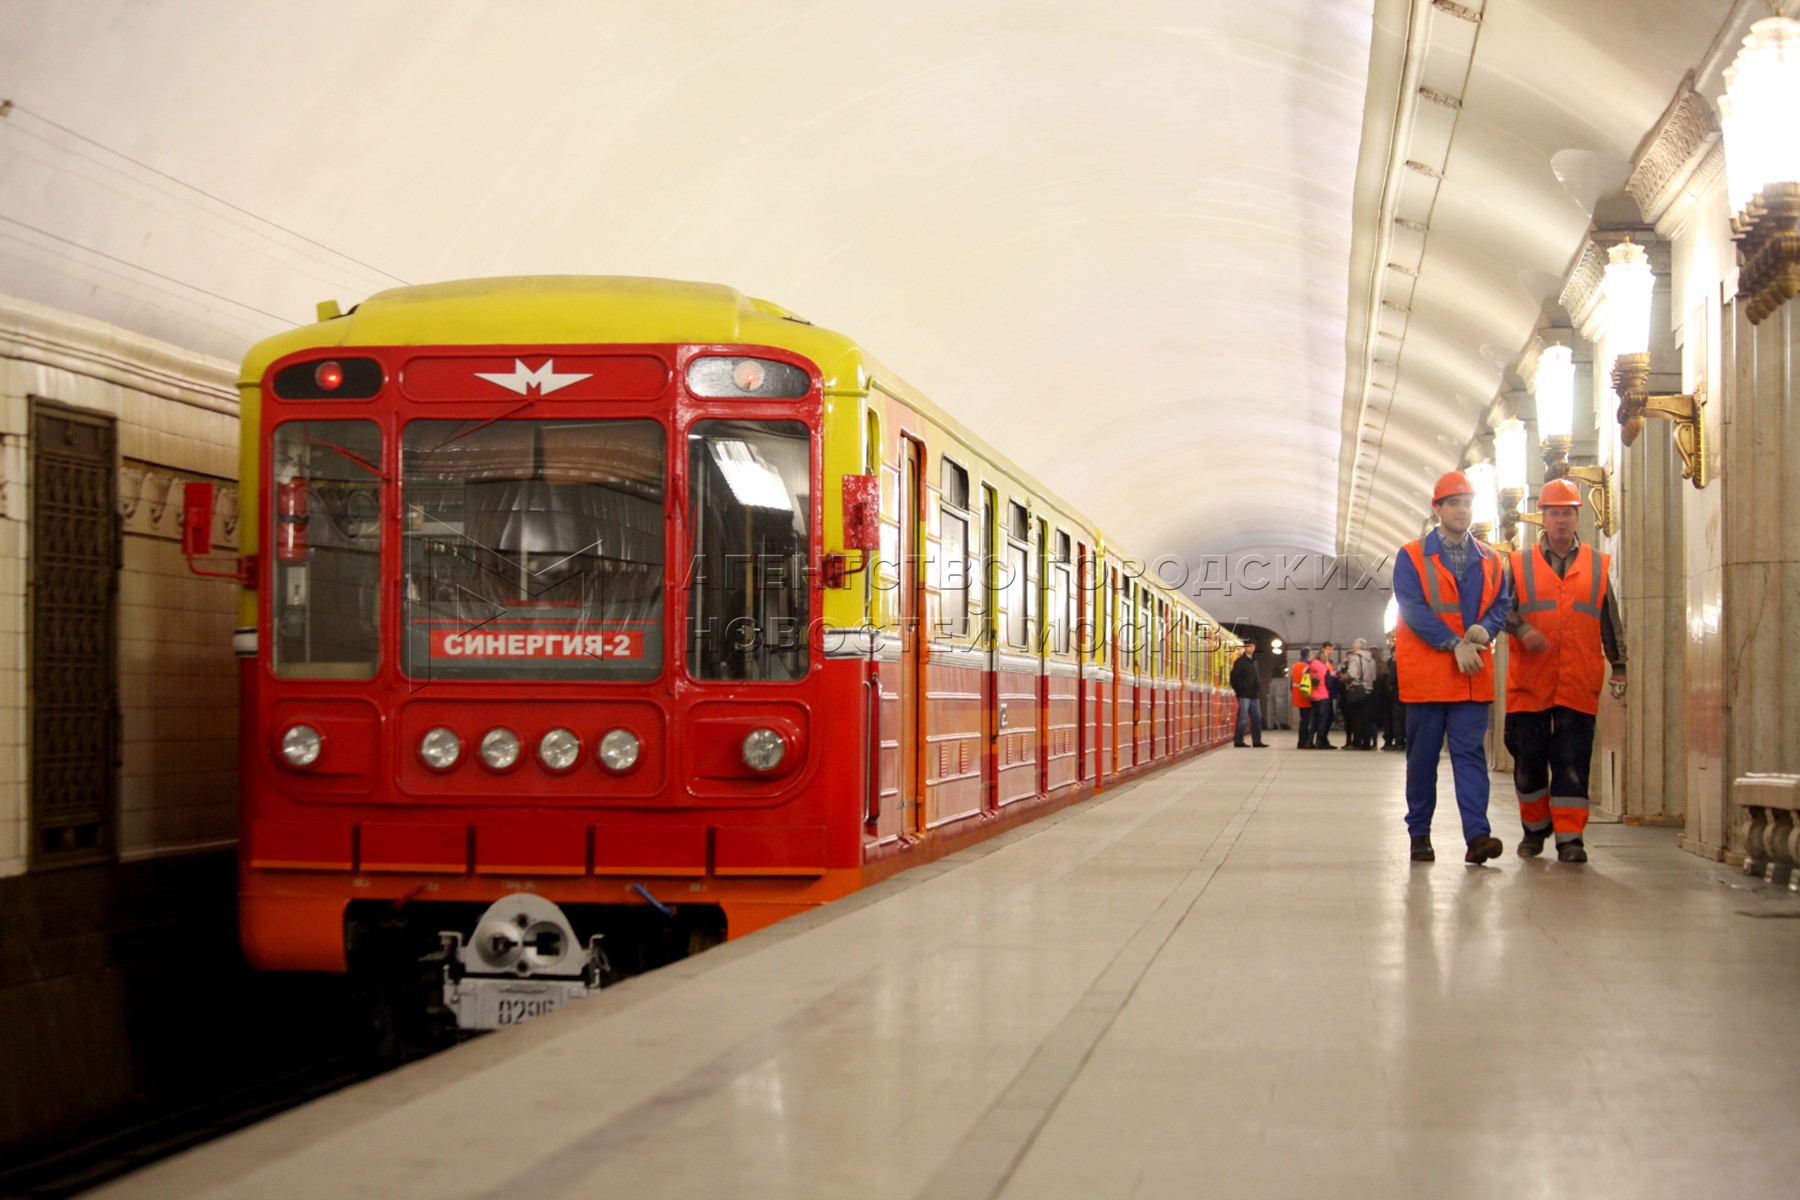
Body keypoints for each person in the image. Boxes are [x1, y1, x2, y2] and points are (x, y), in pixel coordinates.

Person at [1501, 477, 1628, 864]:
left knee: (1572, 762)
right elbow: (1499, 611)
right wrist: (1523, 630)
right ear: (1543, 519)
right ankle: (1535, 830)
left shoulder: (1596, 563)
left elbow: (1610, 620)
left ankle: (1570, 839)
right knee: (1529, 762)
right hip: (1530, 682)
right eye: (1554, 513)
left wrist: (1619, 666)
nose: (1560, 520)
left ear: (1578, 518)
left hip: (1578, 679)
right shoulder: (1518, 563)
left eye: (1568, 513)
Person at [1393, 470, 1512, 864]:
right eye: (1454, 503)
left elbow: (1502, 604)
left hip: (1471, 678)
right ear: (1438, 508)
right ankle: (1420, 836)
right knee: (1423, 759)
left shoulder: (1492, 559)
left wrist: (1487, 627)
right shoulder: (1411, 556)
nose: (1463, 510)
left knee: (1470, 756)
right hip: (1429, 677)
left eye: (1467, 503)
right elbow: (1411, 608)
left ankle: (1478, 836)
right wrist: (1452, 643)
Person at [1230, 640, 1268, 748]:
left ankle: (1257, 741)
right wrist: (1238, 690)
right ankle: (1238, 741)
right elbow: (1234, 677)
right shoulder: (1240, 662)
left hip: (1254, 694)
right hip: (1244, 694)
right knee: (1243, 718)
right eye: (1249, 646)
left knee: (1257, 718)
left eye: (1253, 646)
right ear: (1245, 648)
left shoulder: (1254, 661)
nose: (1252, 648)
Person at [1341, 637, 1377, 749]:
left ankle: (1357, 742)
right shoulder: (1371, 659)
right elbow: (1374, 677)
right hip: (1368, 690)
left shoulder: (1355, 658)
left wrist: (1343, 678)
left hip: (1356, 691)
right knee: (1366, 718)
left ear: (1356, 647)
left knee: (1356, 717)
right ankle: (1366, 742)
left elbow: (1352, 674)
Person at [1308, 643, 1337, 748]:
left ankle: (1309, 741)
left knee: (1314, 720)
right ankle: (1319, 742)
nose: (1330, 652)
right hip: (1323, 697)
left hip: (1313, 697)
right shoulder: (1324, 668)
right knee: (1323, 720)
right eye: (1328, 649)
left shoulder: (1312, 665)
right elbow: (1329, 684)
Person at [1289, 649, 1315, 749]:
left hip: (1297, 695)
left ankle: (1301, 741)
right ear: (1309, 656)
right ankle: (1305, 742)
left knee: (1303, 719)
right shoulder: (1308, 667)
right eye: (1312, 654)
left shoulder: (1295, 666)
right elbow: (1310, 682)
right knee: (1307, 721)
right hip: (1306, 696)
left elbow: (1291, 682)